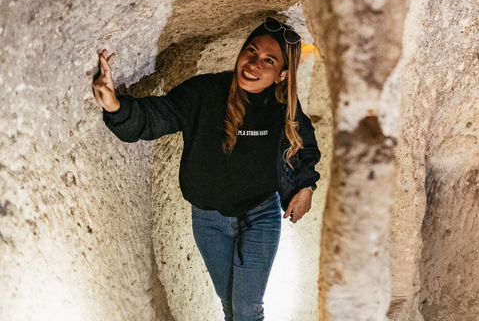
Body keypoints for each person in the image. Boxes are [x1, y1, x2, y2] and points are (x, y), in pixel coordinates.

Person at [92, 17, 321, 321]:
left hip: (261, 213)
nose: (253, 63)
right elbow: (158, 115)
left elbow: (305, 146)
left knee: (247, 310)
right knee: (230, 306)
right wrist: (115, 107)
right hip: (209, 219)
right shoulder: (205, 92)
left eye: (269, 60)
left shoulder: (284, 107)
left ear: (282, 75)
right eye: (251, 51)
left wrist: (306, 186)